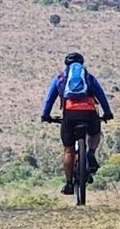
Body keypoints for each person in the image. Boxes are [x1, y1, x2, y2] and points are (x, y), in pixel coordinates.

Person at [40, 52, 113, 196]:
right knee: (94, 133)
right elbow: (101, 96)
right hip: (90, 113)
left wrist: (46, 115)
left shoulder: (60, 79)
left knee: (68, 150)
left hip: (70, 115)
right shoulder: (89, 78)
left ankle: (68, 184)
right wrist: (108, 113)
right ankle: (91, 153)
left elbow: (49, 99)